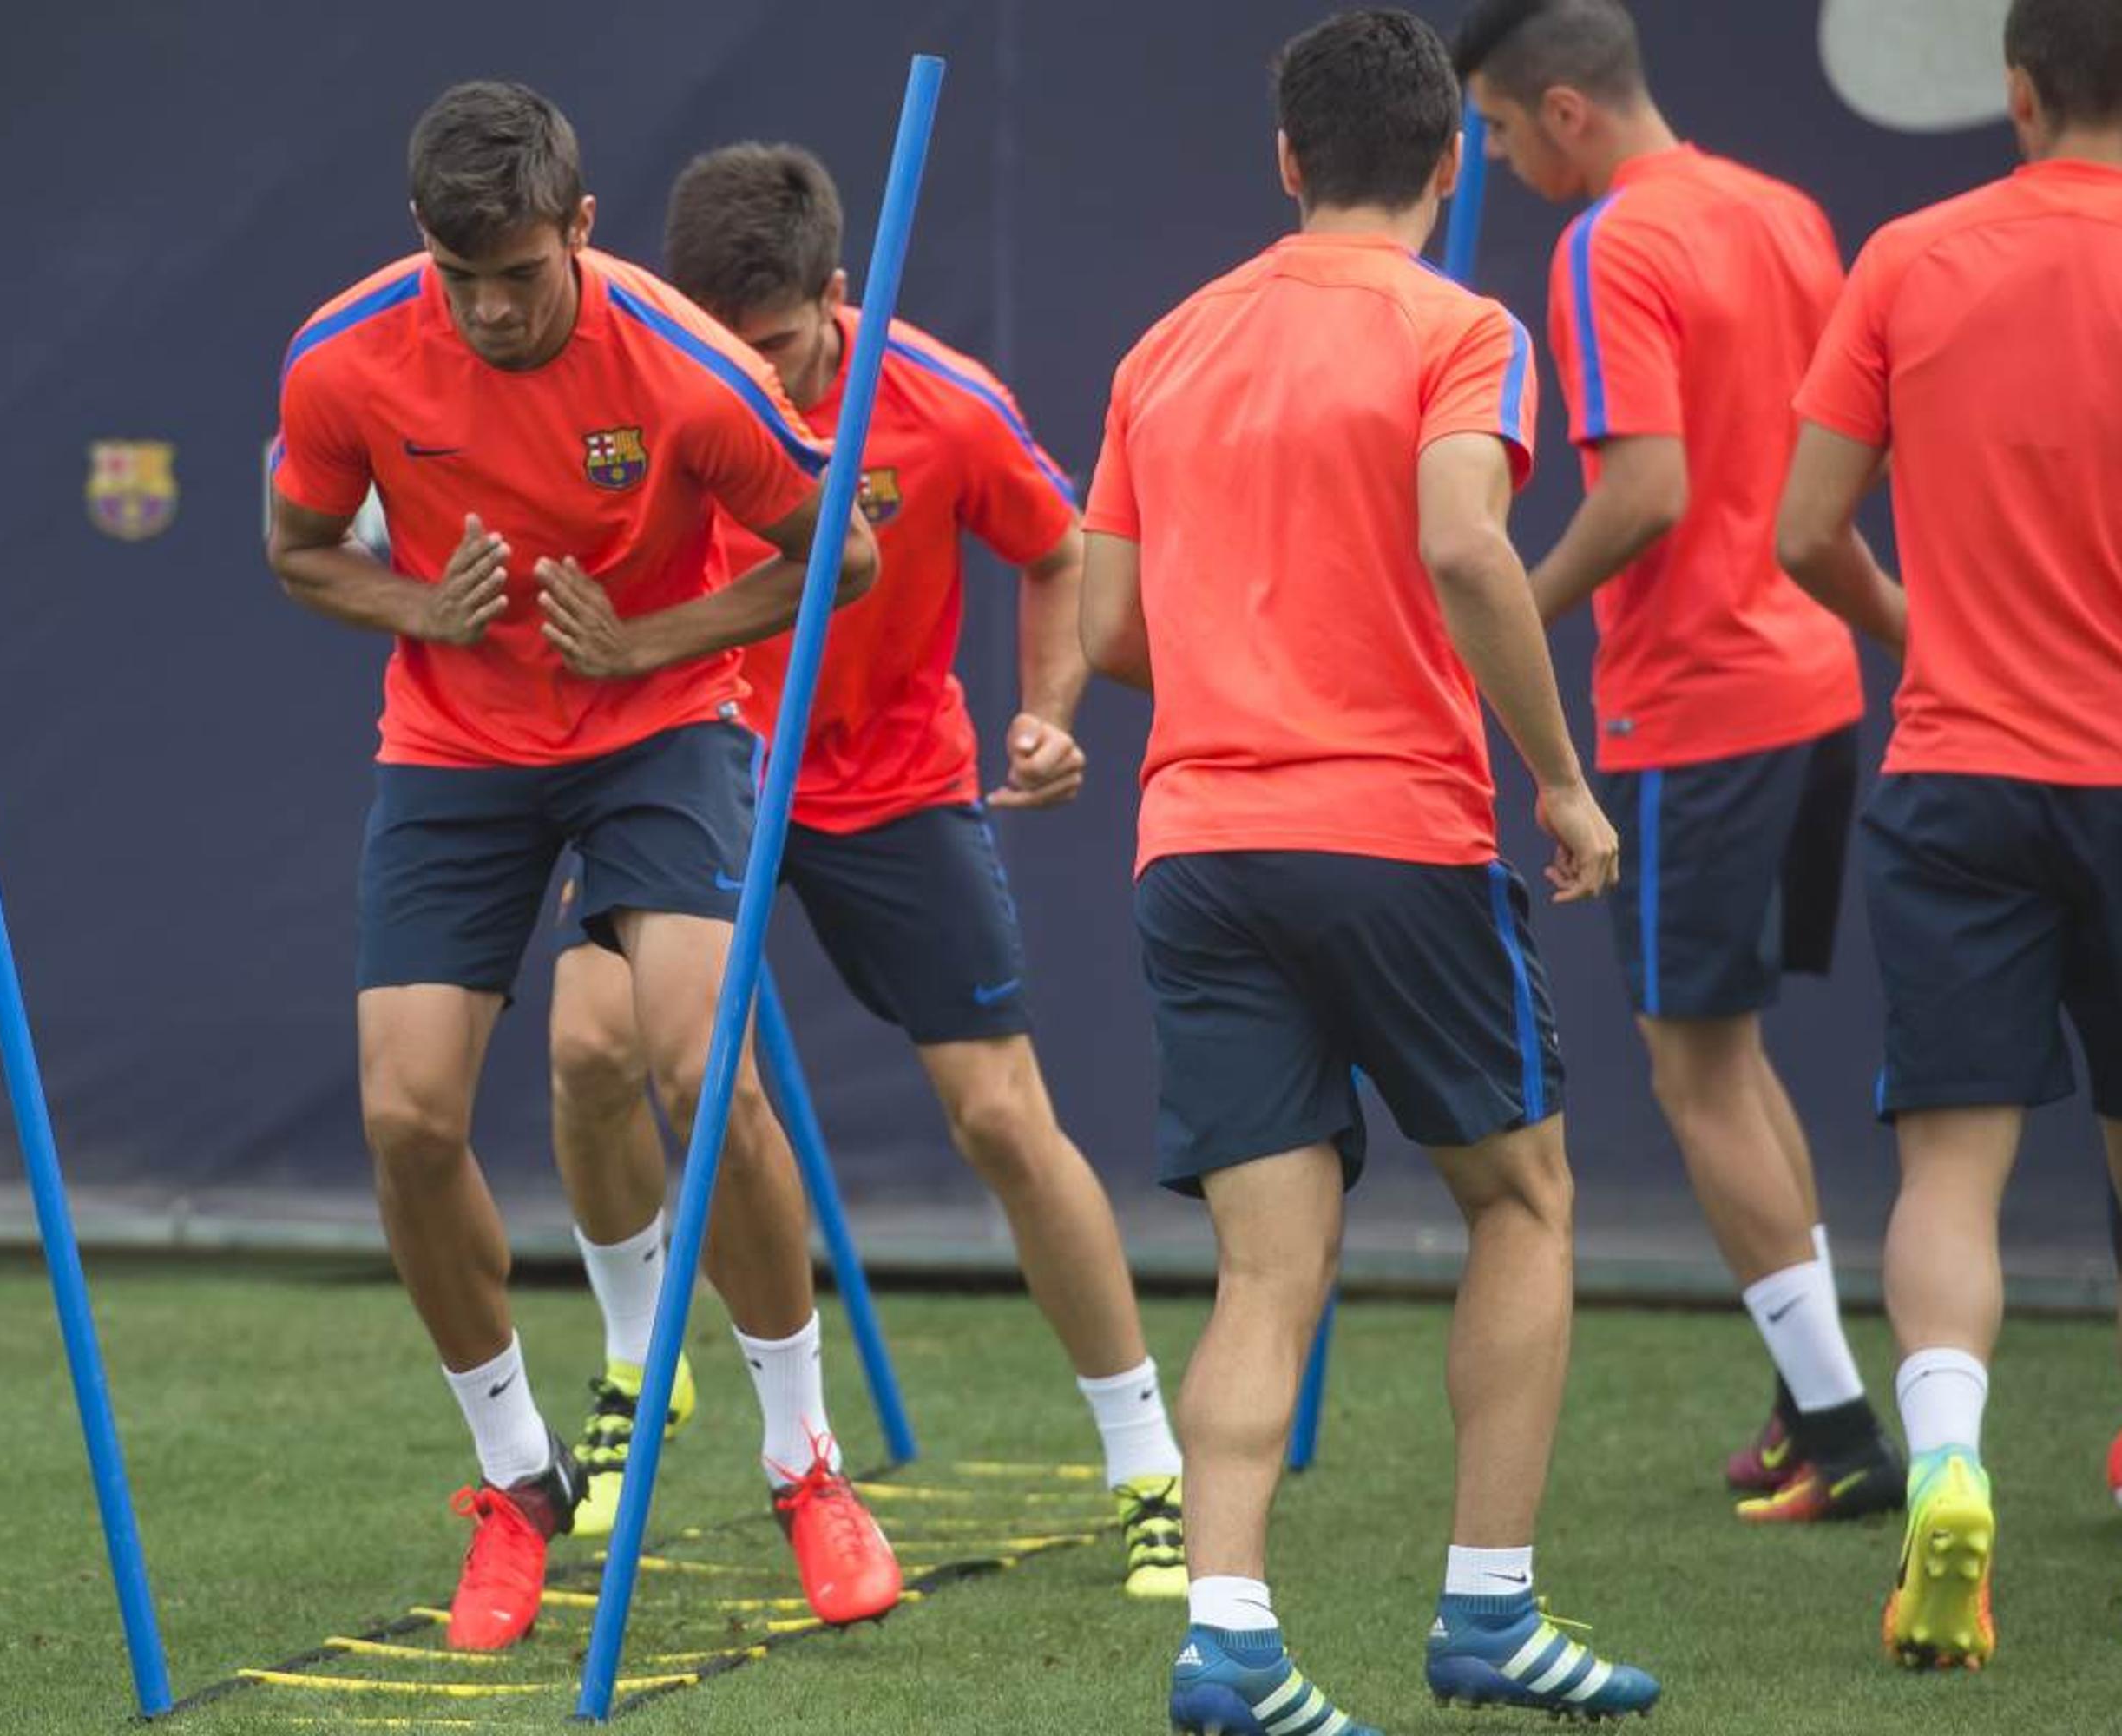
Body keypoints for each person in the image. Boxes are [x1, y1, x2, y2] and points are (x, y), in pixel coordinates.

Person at [264, 79, 902, 1652]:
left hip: (659, 728)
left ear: (585, 231)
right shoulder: (345, 356)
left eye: (523, 275)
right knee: (408, 1115)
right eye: (459, 276)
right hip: (458, 749)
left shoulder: (687, 363)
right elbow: (297, 547)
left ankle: (804, 1463)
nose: (489, 309)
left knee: (705, 1070)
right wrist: (420, 610)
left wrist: (647, 640)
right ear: (421, 245)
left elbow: (843, 552)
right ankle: (515, 1478)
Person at [1081, 12, 1662, 1731]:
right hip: (1390, 836)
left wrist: (1251, 659)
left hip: (1196, 846)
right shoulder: (1463, 326)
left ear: (1283, 164)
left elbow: (1112, 628)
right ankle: (1487, 1613)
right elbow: (1464, 540)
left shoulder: (1163, 345)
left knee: (1268, 1268)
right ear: (1443, 162)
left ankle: (1231, 1642)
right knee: (1524, 1199)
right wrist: (1559, 780)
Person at [540, 140, 1186, 1601]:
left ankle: (1149, 1468)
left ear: (836, 298)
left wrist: (1048, 712)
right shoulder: (652, 380)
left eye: (770, 348)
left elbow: (1063, 544)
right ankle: (644, 1368)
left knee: (1002, 1119)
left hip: (895, 784)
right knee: (590, 1047)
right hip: (700, 763)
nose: (748, 379)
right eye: (723, 348)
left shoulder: (944, 404)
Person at [1453, 0, 1898, 1522]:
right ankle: (1814, 1393)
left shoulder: (1606, 247)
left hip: (1695, 709)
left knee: (1695, 1071)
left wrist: (1503, 606)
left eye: (1501, 134)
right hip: (1812, 685)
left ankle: (1842, 1432)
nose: (1498, 165)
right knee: (1732, 1059)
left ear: (1565, 110)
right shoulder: (1786, 211)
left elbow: (1647, 490)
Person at [1777, 0, 2122, 1671]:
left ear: (2016, 90)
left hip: (1963, 771)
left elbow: (1803, 531)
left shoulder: (1911, 255)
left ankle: (1955, 1461)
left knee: (1950, 1171)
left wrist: (1932, 634)